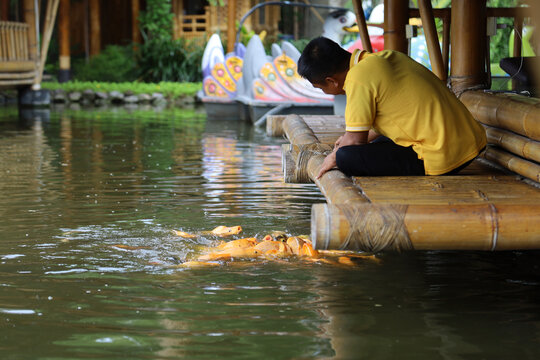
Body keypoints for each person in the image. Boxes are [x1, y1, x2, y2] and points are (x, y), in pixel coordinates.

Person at [297, 37, 487, 179]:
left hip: (442, 156)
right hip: (469, 143)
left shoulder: (357, 79)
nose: (325, 92)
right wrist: (347, 138)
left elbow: (355, 142)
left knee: (346, 157)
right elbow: (384, 120)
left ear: (331, 81)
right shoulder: (387, 57)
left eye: (321, 87)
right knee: (366, 145)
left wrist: (333, 157)